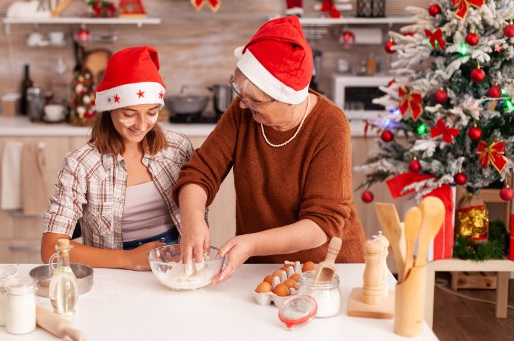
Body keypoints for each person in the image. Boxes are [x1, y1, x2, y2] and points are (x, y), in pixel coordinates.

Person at [174, 16, 365, 284]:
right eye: (240, 95)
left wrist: (251, 244)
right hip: (262, 270)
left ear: (288, 99)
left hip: (327, 269)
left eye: (255, 102)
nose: (243, 106)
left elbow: (321, 225)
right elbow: (199, 172)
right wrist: (193, 220)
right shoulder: (243, 113)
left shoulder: (330, 125)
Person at [41, 46, 193, 271]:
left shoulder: (177, 147)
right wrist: (129, 260)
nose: (142, 125)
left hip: (179, 269)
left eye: (152, 113)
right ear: (109, 109)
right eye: (129, 114)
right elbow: (51, 248)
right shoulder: (80, 165)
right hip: (114, 273)